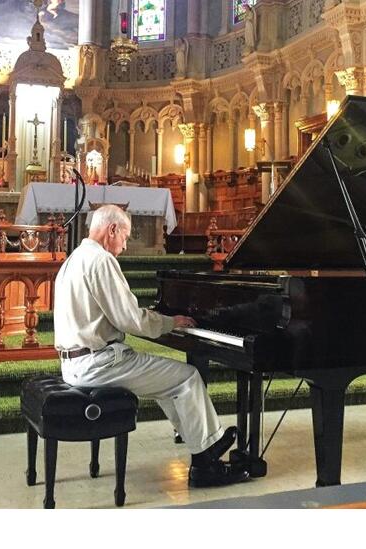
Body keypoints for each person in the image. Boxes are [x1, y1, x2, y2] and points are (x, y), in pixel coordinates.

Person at [53, 204, 250, 487]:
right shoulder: (102, 261)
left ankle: (203, 444)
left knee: (165, 383)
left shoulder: (74, 258)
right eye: (125, 236)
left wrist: (151, 317)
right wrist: (171, 322)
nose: (124, 244)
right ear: (112, 230)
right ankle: (206, 462)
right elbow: (131, 320)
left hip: (74, 364)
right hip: (98, 364)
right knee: (188, 378)